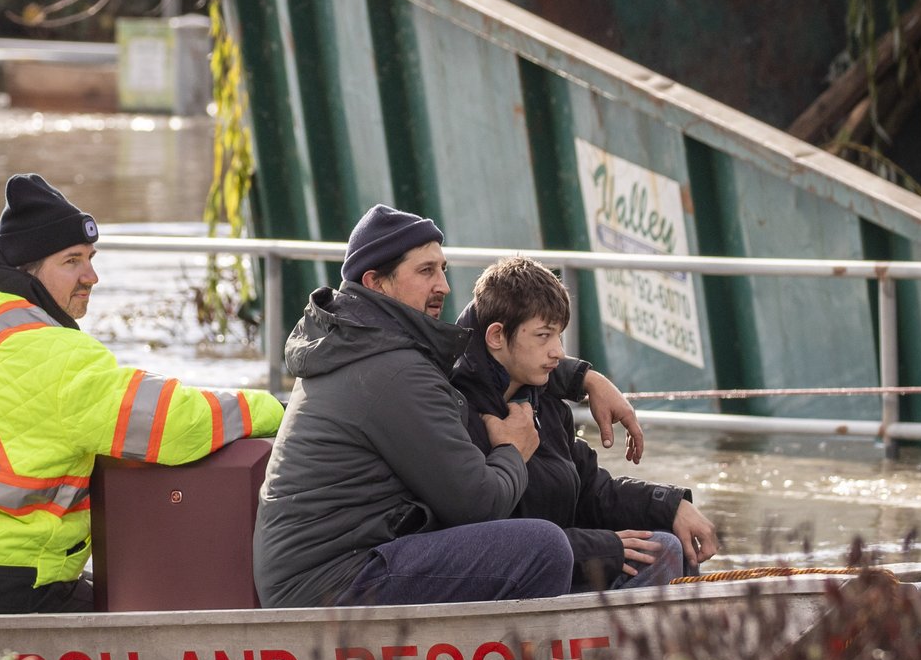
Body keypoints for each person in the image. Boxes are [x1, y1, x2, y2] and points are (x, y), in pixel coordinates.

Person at [0, 174, 282, 613]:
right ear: (28, 270)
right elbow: (177, 424)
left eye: (91, 258)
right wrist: (278, 410)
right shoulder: (64, 356)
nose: (92, 276)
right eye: (72, 261)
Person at [253, 204, 648, 608]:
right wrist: (512, 449)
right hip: (331, 585)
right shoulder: (391, 370)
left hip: (337, 567)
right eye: (426, 271)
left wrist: (582, 378)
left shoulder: (368, 346)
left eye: (442, 268)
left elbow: (479, 351)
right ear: (376, 282)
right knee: (542, 547)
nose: (443, 284)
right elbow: (478, 504)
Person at [452, 256, 720, 590]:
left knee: (669, 540)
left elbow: (591, 489)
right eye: (543, 336)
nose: (557, 352)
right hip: (511, 583)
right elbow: (496, 539)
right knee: (662, 550)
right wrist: (605, 548)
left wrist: (670, 505)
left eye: (559, 336)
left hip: (565, 561)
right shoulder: (457, 412)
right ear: (496, 336)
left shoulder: (543, 403)